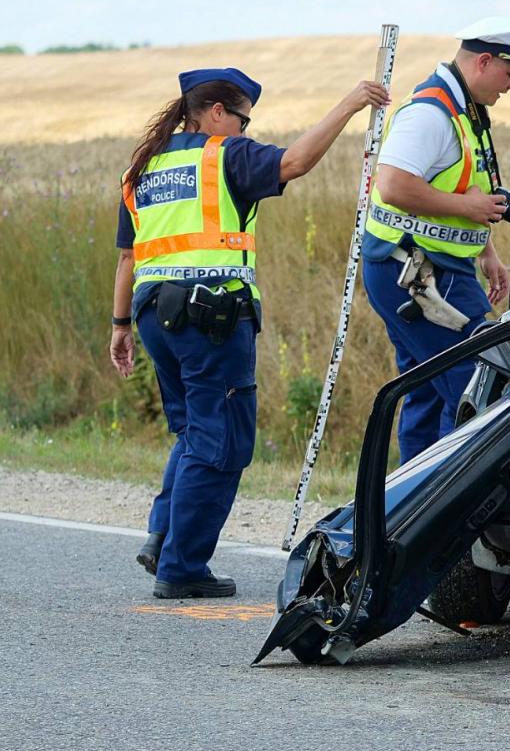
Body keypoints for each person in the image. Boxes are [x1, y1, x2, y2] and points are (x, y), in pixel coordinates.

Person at [109, 66, 389, 598]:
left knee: (192, 429)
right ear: (217, 113)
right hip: (210, 316)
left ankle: (163, 535)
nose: (245, 129)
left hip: (152, 316)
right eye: (243, 118)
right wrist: (351, 104)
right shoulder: (224, 153)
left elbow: (128, 256)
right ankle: (182, 567)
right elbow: (296, 161)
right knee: (222, 442)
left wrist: (119, 324)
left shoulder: (143, 166)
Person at [361, 17, 510, 463]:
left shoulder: (465, 109)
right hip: (415, 272)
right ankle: (444, 513)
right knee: (477, 387)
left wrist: (487, 250)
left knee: (428, 392)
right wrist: (469, 212)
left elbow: (463, 187)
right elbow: (393, 185)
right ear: (483, 61)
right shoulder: (430, 114)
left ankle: (407, 513)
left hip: (434, 266)